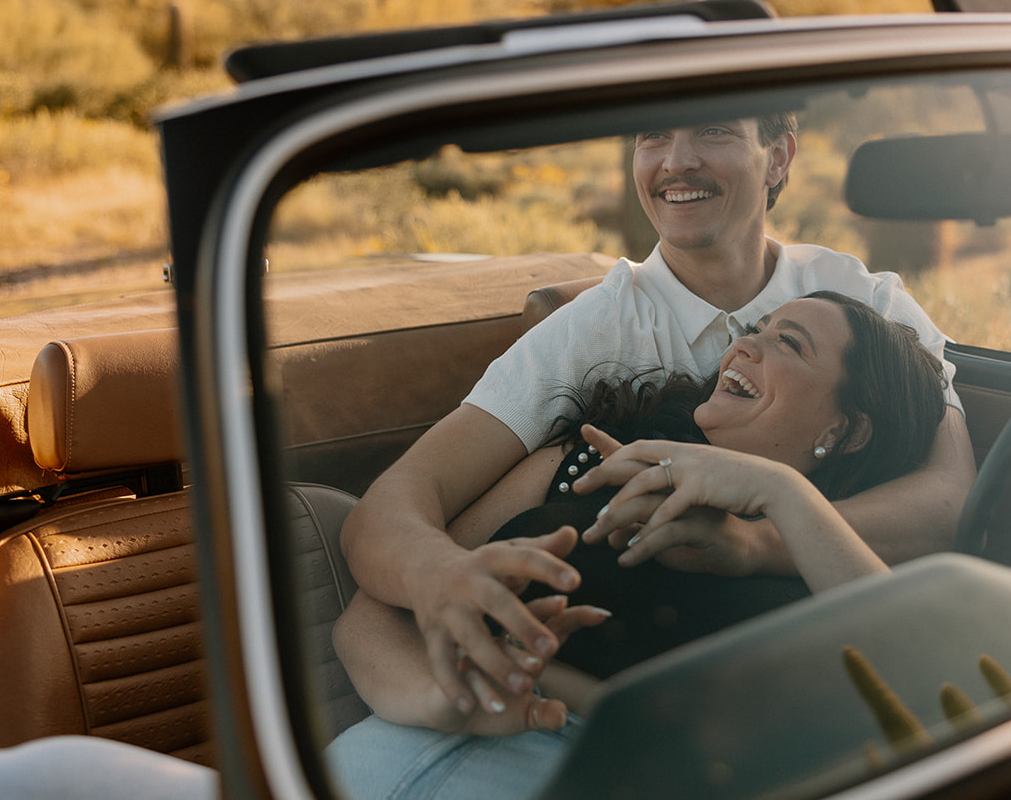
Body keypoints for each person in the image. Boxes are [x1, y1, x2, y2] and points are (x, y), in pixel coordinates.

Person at [338, 115, 975, 721]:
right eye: (653, 135)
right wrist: (440, 582)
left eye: (715, 130)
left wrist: (756, 535)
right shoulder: (588, 337)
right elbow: (399, 503)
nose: (677, 160)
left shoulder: (872, 303)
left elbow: (945, 503)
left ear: (777, 156)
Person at [326, 292, 948, 799]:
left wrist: (780, 492)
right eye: (757, 327)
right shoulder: (587, 460)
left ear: (845, 429)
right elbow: (373, 615)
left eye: (788, 343)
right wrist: (446, 696)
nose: (746, 343)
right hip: (381, 752)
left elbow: (925, 696)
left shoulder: (829, 554)